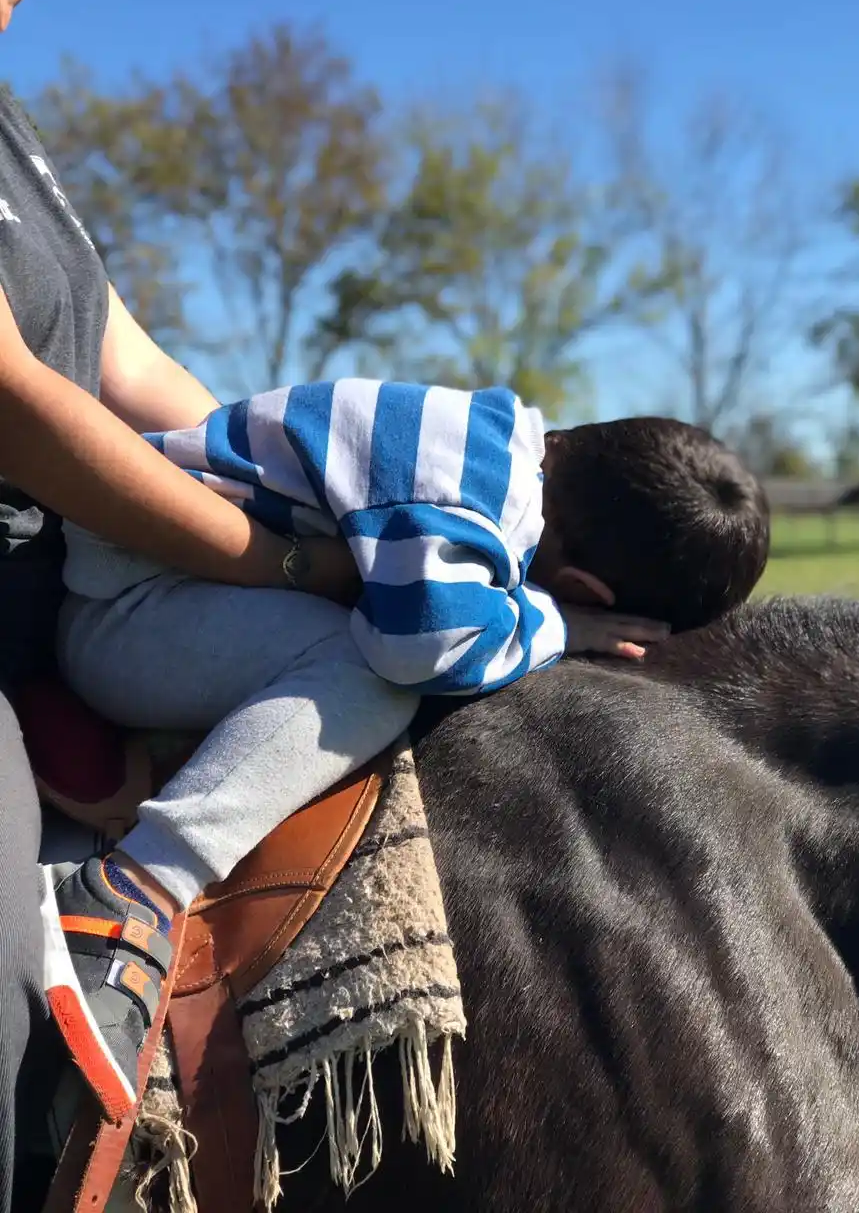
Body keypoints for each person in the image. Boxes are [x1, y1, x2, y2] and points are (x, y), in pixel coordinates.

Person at [0, 0, 639, 1197]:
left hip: (72, 572)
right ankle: (114, 922)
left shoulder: (10, 122)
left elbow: (136, 374)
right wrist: (288, 563)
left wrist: (285, 480)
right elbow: (13, 404)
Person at [50, 385, 769, 1125]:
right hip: (129, 609)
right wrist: (553, 621)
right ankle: (139, 884)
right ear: (584, 586)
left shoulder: (487, 437)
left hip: (164, 579)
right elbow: (422, 643)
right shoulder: (467, 501)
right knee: (370, 675)